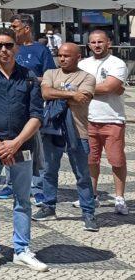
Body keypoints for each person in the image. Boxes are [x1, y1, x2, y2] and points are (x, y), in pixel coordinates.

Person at [0, 27, 48, 272]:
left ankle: (22, 249)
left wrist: (14, 144)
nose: (3, 49)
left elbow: (36, 115)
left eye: (8, 45)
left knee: (22, 199)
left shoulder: (29, 76)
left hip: (21, 145)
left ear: (17, 46)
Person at [33, 42, 98, 230]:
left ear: (78, 57)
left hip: (78, 131)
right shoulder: (51, 73)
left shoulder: (87, 77)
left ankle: (88, 213)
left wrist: (59, 94)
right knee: (49, 171)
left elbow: (83, 97)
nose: (62, 58)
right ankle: (48, 207)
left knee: (82, 174)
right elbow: (45, 93)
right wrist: (71, 94)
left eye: (67, 56)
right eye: (60, 55)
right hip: (52, 130)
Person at [0, 13, 55, 202]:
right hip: (10, 105)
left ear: (26, 28)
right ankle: (10, 183)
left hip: (33, 107)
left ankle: (37, 185)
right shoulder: (11, 48)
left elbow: (50, 77)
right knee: (10, 144)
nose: (12, 30)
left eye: (15, 27)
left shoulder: (41, 51)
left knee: (34, 148)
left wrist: (28, 79)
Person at [78, 29, 128, 215]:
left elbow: (110, 87)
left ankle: (120, 198)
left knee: (117, 160)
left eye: (100, 42)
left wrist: (84, 88)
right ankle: (93, 196)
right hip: (88, 119)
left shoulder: (118, 63)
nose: (97, 45)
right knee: (91, 160)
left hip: (112, 119)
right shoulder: (83, 64)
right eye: (93, 42)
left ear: (108, 43)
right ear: (88, 45)